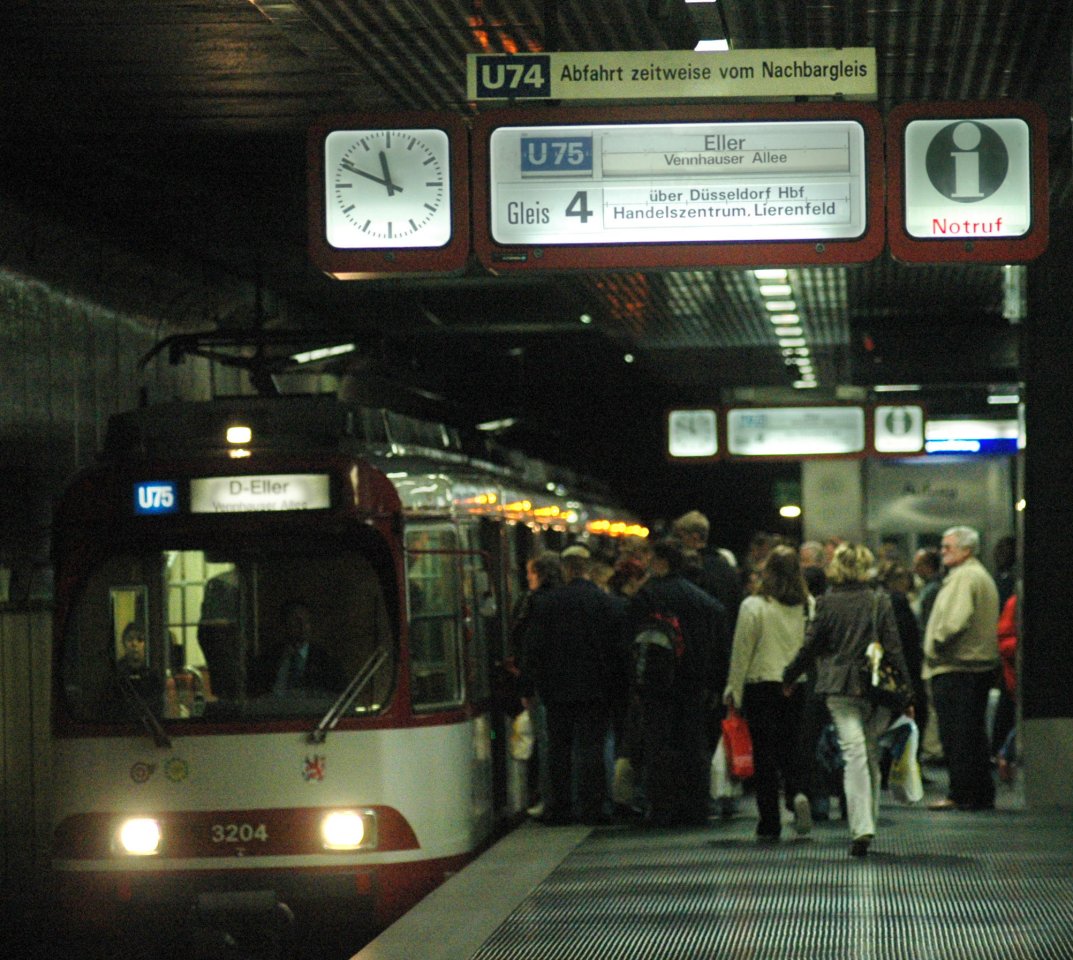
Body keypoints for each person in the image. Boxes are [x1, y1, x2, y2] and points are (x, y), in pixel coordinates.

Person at [783, 543, 911, 857]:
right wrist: (907, 691)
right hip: (875, 688)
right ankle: (867, 820)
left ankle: (861, 826)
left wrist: (789, 675)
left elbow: (811, 647)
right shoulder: (879, 601)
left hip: (838, 686)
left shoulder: (826, 603)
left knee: (853, 752)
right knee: (869, 751)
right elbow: (894, 648)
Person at [629, 538, 728, 826]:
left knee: (658, 744)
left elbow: (629, 640)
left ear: (661, 562)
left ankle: (662, 807)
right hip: (694, 682)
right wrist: (716, 681)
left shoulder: (647, 596)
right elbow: (719, 640)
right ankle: (696, 806)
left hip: (655, 685)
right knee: (693, 744)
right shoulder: (701, 600)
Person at [521, 544, 619, 825]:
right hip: (596, 689)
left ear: (565, 569)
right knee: (592, 749)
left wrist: (527, 687)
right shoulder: (604, 602)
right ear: (587, 569)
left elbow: (533, 648)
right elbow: (616, 649)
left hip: (557, 689)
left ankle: (561, 808)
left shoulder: (548, 603)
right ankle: (594, 808)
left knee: (559, 750)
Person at [723, 545, 812, 842]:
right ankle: (797, 794)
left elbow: (742, 652)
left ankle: (769, 822)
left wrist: (734, 690)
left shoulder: (753, 606)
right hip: (797, 685)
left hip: (761, 685)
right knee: (791, 746)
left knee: (764, 754)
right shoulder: (808, 605)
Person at [924, 526, 1000, 812]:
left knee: (958, 735)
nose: (942, 551)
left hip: (958, 666)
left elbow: (954, 621)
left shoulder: (964, 577)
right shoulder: (977, 574)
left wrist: (935, 645)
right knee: (972, 733)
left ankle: (962, 793)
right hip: (974, 666)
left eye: (948, 547)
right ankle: (979, 793)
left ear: (967, 550)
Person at [509, 551, 563, 818]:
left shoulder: (533, 603)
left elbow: (529, 648)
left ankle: (549, 799)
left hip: (541, 685)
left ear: (539, 574)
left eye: (530, 573)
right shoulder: (563, 599)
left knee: (545, 743)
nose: (528, 578)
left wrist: (525, 687)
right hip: (563, 681)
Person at [251, 600, 345, 697]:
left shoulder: (326, 662)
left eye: (306, 621)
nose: (302, 625)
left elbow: (338, 695)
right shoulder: (268, 659)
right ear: (284, 624)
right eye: (296, 620)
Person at [671, 510, 742, 631]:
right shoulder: (727, 569)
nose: (676, 543)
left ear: (694, 538)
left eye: (679, 537)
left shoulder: (687, 569)